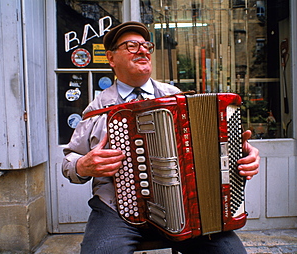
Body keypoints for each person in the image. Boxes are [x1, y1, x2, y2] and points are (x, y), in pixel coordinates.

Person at [62, 21, 260, 254]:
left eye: (146, 45)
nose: (143, 50)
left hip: (185, 209)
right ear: (111, 58)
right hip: (117, 210)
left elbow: (215, 144)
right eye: (132, 46)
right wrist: (83, 165)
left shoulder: (177, 97)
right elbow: (69, 161)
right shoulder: (98, 109)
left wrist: (243, 155)